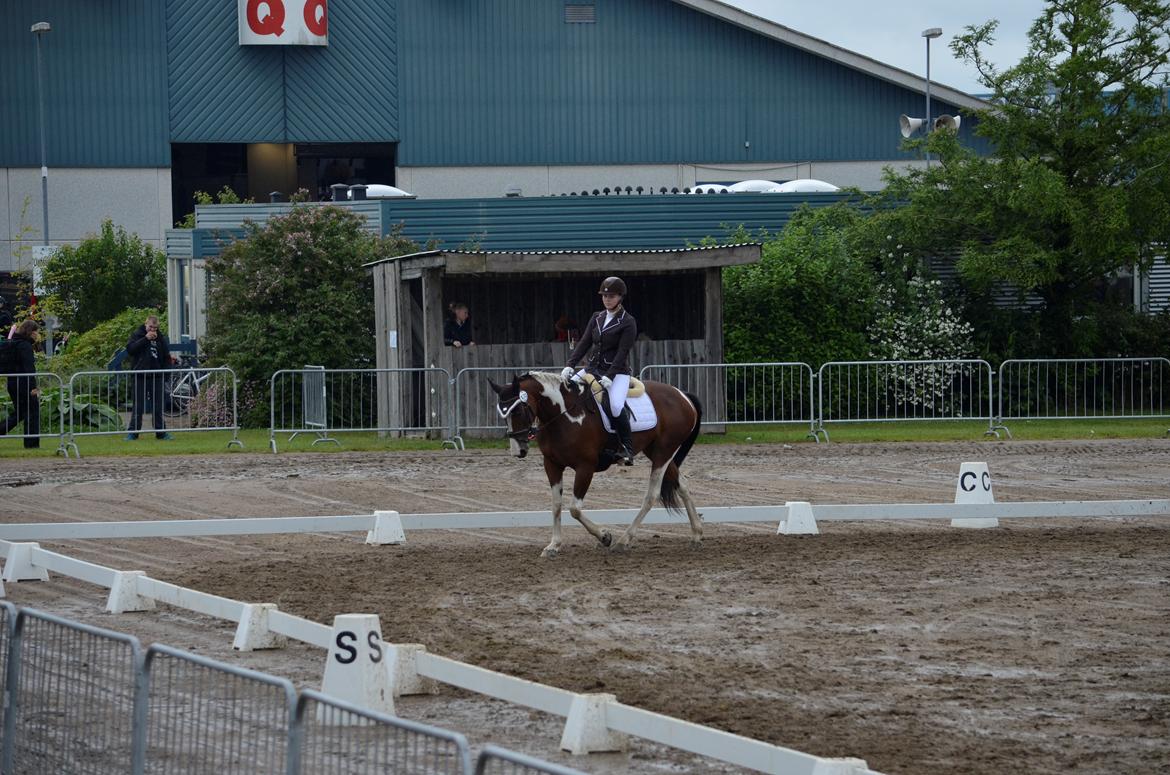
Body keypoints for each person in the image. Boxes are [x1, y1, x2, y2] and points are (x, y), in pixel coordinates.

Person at [561, 276, 637, 465]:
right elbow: (585, 342)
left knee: (616, 406)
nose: (607, 299)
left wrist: (610, 376)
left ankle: (627, 448)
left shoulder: (628, 322)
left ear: (620, 297)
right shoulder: (597, 317)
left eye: (611, 296)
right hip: (593, 369)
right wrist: (570, 365)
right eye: (604, 295)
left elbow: (622, 352)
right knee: (566, 390)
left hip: (617, 372)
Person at [125, 315, 174, 440]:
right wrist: (145, 339)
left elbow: (166, 356)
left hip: (156, 376)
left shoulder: (160, 338)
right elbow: (130, 349)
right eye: (150, 327)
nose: (152, 330)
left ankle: (161, 432)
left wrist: (165, 374)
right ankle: (133, 433)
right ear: (145, 324)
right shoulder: (137, 334)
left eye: (155, 328)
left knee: (158, 406)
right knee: (138, 405)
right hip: (140, 375)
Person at [0, 320, 41, 449]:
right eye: (36, 332)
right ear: (31, 331)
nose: (37, 335)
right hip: (24, 383)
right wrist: (33, 387)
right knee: (32, 411)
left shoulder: (12, 343)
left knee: (21, 412)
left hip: (12, 382)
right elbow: (29, 368)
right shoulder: (25, 346)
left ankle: (2, 429)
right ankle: (32, 443)